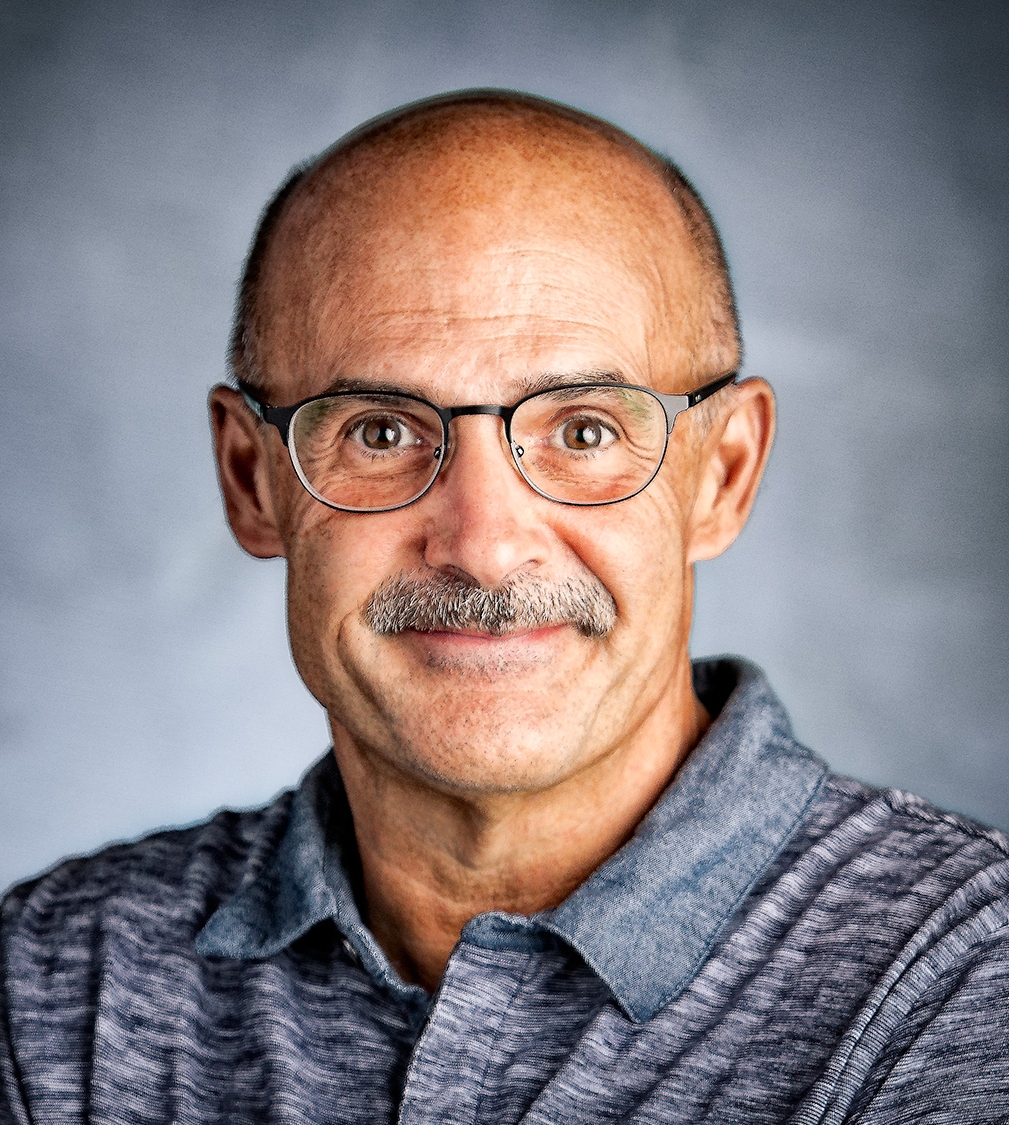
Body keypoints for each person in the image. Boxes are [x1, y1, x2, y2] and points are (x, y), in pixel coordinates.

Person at [2, 89, 1007, 1124]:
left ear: (723, 474)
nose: (482, 547)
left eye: (582, 432)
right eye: (380, 432)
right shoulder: (52, 992)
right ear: (252, 479)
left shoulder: (964, 988)